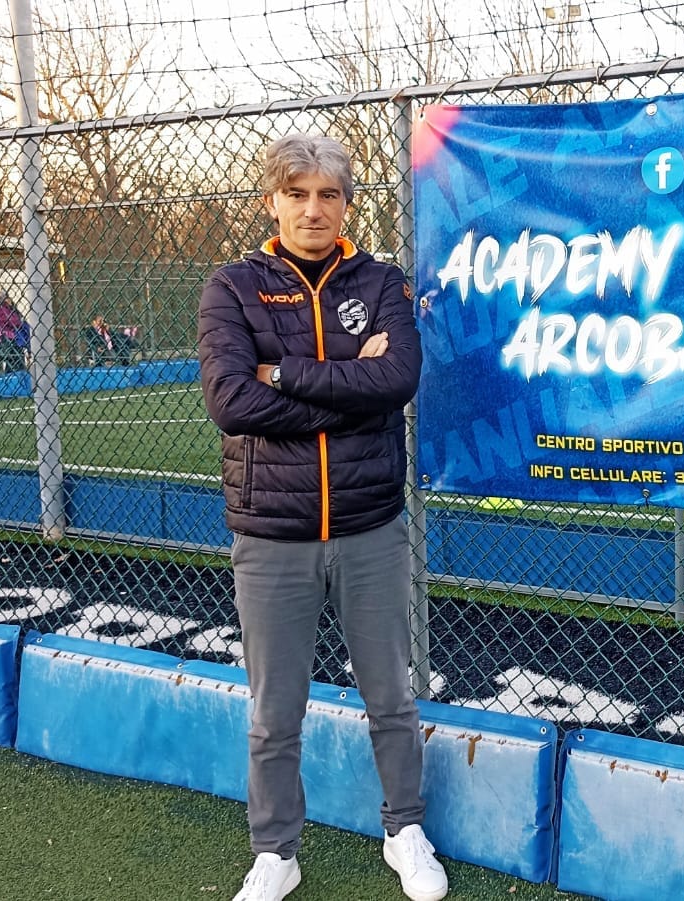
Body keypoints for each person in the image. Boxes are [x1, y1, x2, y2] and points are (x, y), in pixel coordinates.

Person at [198, 134, 444, 901]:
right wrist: (348, 386)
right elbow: (231, 402)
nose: (313, 209)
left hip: (371, 527)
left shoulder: (381, 282)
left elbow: (396, 379)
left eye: (328, 194)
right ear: (271, 202)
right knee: (275, 712)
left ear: (346, 205)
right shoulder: (232, 288)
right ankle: (276, 851)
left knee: (391, 697)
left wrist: (284, 373)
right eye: (297, 193)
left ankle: (404, 829)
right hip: (272, 535)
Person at [0, 293, 29, 371]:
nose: (10, 301)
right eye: (7, 299)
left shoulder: (11, 309)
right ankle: (13, 371)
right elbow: (13, 321)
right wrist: (19, 321)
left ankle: (18, 370)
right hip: (5, 335)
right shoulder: (1, 310)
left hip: (12, 335)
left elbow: (17, 319)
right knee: (14, 354)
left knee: (17, 353)